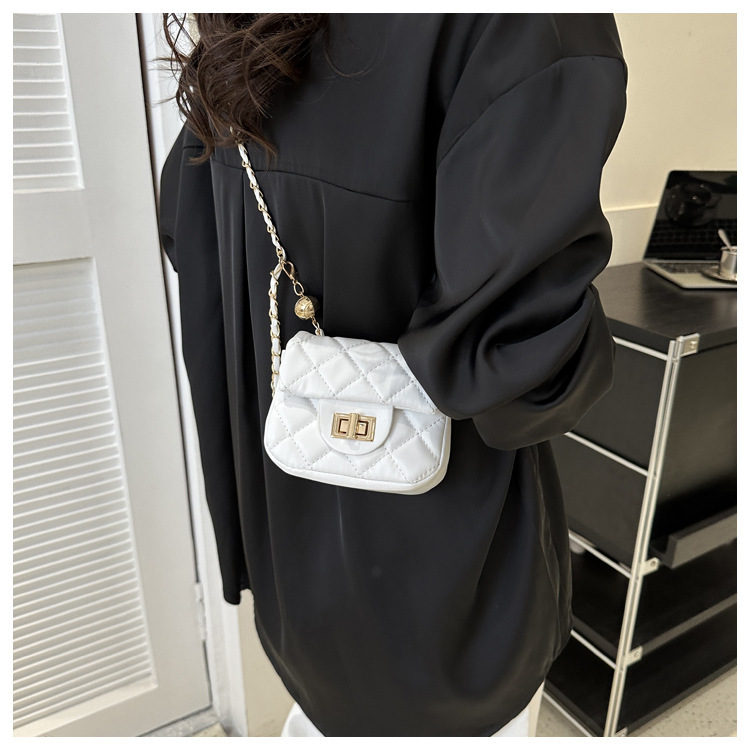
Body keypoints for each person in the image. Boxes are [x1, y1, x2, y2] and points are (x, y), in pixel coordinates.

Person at [158, 13, 628, 737]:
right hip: (445, 588)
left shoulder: (246, 27)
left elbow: (186, 231)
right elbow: (522, 370)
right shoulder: (518, 23)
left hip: (287, 545)